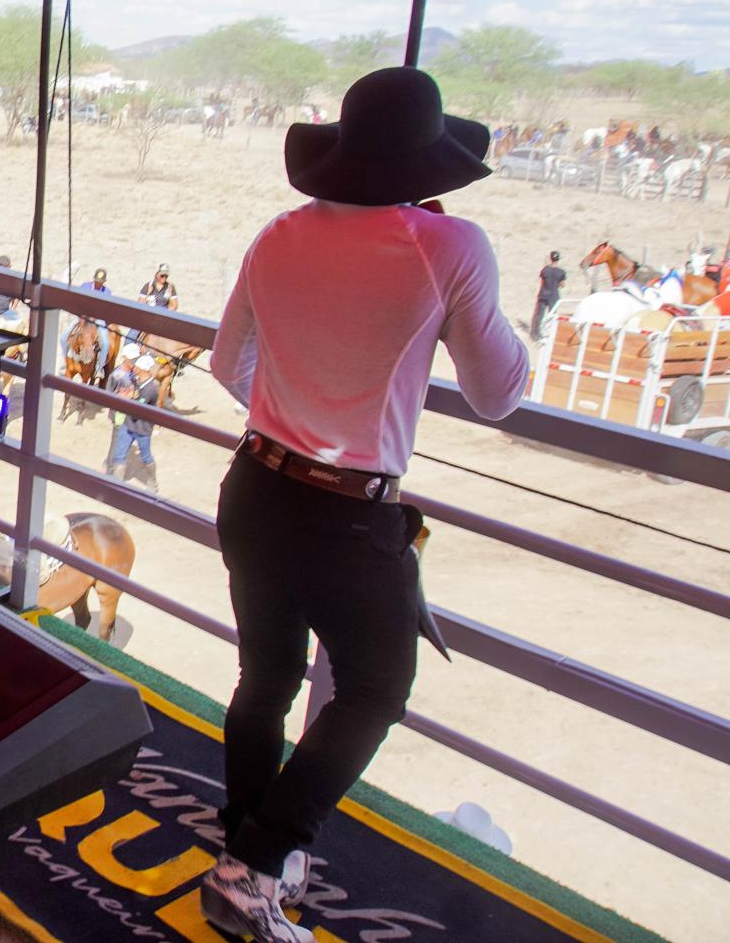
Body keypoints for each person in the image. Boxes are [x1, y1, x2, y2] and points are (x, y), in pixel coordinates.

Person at [203, 67, 527, 941]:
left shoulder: (279, 234)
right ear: (430, 164)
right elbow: (499, 393)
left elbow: (228, 364)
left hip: (256, 484)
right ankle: (255, 863)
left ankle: (245, 849)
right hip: (347, 514)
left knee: (267, 677)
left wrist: (296, 414)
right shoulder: (450, 246)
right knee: (378, 688)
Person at [103, 354, 160, 493]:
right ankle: (116, 485)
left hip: (142, 429)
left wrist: (126, 399)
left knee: (146, 457)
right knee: (119, 455)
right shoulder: (136, 380)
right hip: (128, 424)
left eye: (137, 366)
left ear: (142, 369)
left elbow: (136, 411)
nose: (134, 368)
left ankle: (153, 482)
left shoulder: (151, 389)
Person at [532, 250, 566, 341]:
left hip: (543, 295)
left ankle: (536, 334)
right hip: (554, 296)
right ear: (558, 259)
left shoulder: (545, 270)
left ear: (550, 259)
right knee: (552, 316)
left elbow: (542, 282)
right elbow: (562, 285)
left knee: (539, 315)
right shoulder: (561, 272)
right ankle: (551, 334)